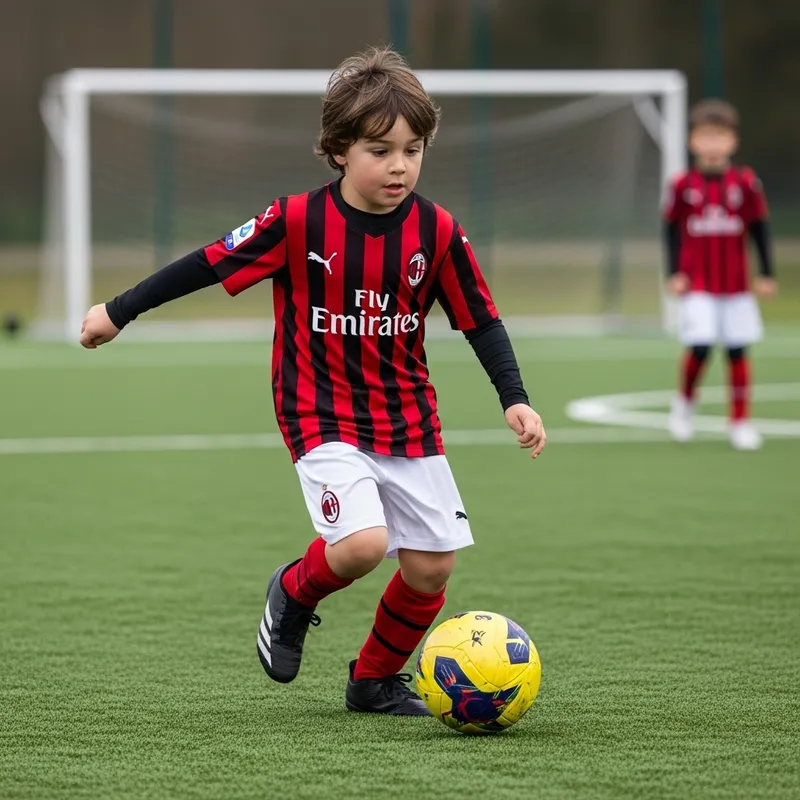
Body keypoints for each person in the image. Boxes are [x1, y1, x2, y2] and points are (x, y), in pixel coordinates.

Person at [79, 47, 546, 715]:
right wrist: (117, 312)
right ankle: (295, 592)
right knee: (361, 545)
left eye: (413, 150)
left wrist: (516, 400)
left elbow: (483, 322)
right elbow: (207, 264)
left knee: (431, 568)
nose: (399, 165)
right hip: (318, 409)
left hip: (408, 417)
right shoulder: (296, 220)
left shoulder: (437, 231)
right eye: (380, 150)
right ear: (338, 151)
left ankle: (373, 681)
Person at [664, 99, 776, 451]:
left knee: (737, 351)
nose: (713, 143)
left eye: (720, 136)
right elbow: (671, 230)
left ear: (733, 141)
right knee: (699, 347)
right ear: (693, 140)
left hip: (736, 285)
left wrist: (767, 273)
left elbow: (760, 228)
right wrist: (675, 272)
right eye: (706, 135)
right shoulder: (683, 184)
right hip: (698, 283)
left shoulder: (745, 182)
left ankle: (740, 422)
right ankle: (684, 406)